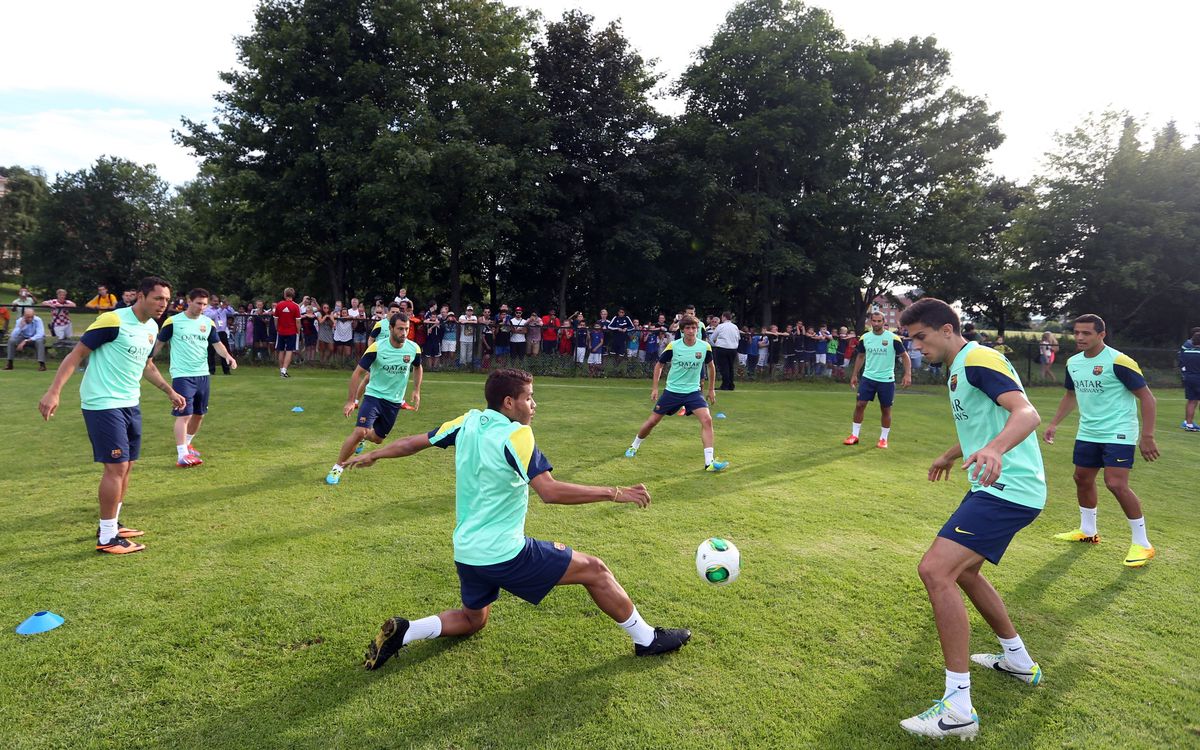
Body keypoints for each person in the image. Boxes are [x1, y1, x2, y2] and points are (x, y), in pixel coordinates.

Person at [342, 368, 690, 668]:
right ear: (509, 403)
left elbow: (415, 441)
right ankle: (647, 639)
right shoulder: (517, 434)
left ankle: (406, 631)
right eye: (529, 398)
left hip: (466, 551)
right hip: (504, 553)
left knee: (473, 620)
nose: (534, 405)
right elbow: (549, 491)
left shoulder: (468, 421)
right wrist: (615, 492)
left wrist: (377, 454)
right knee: (595, 570)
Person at [897, 297, 1046, 741]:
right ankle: (1017, 660)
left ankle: (959, 707)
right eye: (911, 339)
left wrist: (996, 450)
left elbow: (1026, 413)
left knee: (935, 569)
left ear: (947, 329)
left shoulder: (978, 358)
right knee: (964, 573)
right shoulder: (960, 366)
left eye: (920, 337)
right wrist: (950, 453)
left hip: (1009, 489)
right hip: (993, 486)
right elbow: (984, 423)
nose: (916, 347)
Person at [37, 277, 186, 555]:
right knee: (115, 468)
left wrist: (169, 391)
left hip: (131, 403)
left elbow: (147, 365)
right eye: (158, 298)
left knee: (127, 466)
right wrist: (53, 392)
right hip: (102, 403)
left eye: (166, 300)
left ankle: (112, 525)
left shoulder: (152, 327)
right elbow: (76, 354)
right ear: (140, 296)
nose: (163, 305)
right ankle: (107, 537)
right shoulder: (113, 321)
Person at [1043, 314, 1159, 567]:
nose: (1080, 337)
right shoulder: (1073, 363)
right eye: (1077, 333)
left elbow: (1147, 398)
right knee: (1081, 478)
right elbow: (1071, 395)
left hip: (1118, 431)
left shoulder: (1119, 361)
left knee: (1115, 484)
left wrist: (1147, 436)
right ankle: (1088, 531)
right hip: (1088, 432)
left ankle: (1143, 544)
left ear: (1101, 335)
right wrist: (1054, 424)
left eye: (1086, 333)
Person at [326, 313, 423, 485]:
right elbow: (357, 373)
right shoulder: (377, 348)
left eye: (407, 329)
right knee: (359, 431)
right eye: (400, 329)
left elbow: (418, 367)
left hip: (393, 402)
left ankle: (365, 437)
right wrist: (351, 400)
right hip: (373, 396)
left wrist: (416, 390)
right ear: (391, 328)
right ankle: (337, 468)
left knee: (378, 439)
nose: (404, 333)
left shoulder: (413, 348)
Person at [624, 315, 728, 472]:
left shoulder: (704, 346)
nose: (691, 331)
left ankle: (709, 463)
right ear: (682, 330)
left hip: (693, 392)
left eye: (694, 328)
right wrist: (655, 388)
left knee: (707, 420)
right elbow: (659, 365)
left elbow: (711, 367)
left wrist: (711, 389)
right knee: (652, 422)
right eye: (688, 328)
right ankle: (634, 445)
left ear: (698, 329)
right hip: (672, 391)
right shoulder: (674, 346)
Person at [153, 288, 238, 467]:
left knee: (199, 414)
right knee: (185, 414)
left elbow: (217, 344)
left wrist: (228, 356)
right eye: (199, 303)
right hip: (182, 375)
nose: (202, 307)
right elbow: (159, 343)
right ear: (189, 301)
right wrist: (146, 359)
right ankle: (182, 454)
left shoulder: (208, 323)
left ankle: (188, 443)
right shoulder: (173, 322)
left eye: (205, 304)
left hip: (203, 375)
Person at [844, 311, 912, 448]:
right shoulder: (865, 338)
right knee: (859, 405)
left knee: (885, 409)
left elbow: (905, 356)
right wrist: (854, 374)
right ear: (870, 321)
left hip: (886, 380)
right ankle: (854, 435)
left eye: (879, 321)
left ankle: (883, 439)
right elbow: (861, 356)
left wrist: (907, 374)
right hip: (868, 378)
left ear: (883, 321)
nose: (876, 323)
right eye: (874, 321)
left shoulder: (893, 338)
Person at [204, 295, 237, 375]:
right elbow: (211, 316)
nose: (216, 303)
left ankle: (226, 370)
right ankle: (211, 370)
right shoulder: (207, 310)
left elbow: (232, 313)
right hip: (212, 332)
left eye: (217, 301)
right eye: (214, 301)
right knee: (211, 352)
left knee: (225, 352)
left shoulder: (223, 310)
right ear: (210, 301)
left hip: (222, 332)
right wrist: (220, 309)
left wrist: (227, 305)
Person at [273, 288, 302, 377]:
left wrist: (277, 328)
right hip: (292, 332)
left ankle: (282, 370)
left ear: (285, 295)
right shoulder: (296, 306)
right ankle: (284, 370)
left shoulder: (279, 305)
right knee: (289, 350)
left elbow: (275, 320)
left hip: (281, 331)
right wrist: (298, 331)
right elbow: (297, 321)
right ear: (293, 295)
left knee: (281, 351)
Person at [712, 312, 740, 391]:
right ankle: (731, 385)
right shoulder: (735, 327)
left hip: (722, 348)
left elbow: (713, 337)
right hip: (733, 349)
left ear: (724, 317)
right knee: (730, 367)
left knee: (724, 367)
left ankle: (725, 385)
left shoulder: (721, 326)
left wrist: (716, 342)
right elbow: (738, 338)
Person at [1180, 331, 1200, 431]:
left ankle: (1189, 424)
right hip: (1198, 377)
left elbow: (1181, 363)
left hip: (1188, 378)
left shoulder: (1186, 352)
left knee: (1191, 401)